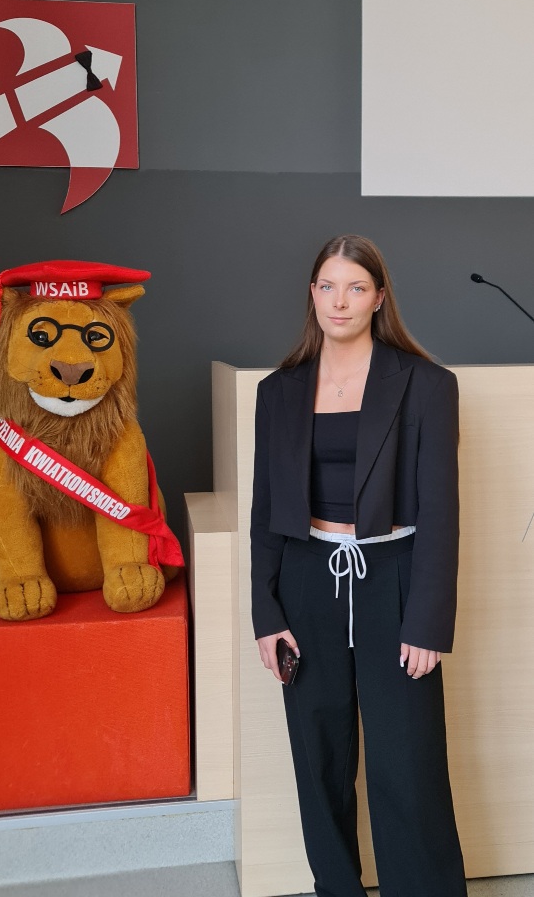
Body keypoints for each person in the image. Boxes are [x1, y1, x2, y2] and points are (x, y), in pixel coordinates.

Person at [250, 234, 467, 897]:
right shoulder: (278, 390)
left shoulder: (427, 385)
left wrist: (427, 622)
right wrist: (266, 612)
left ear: (378, 298)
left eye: (355, 288)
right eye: (327, 286)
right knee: (319, 759)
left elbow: (441, 511)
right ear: (312, 294)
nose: (338, 301)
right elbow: (266, 510)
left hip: (394, 580)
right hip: (306, 581)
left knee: (408, 762)